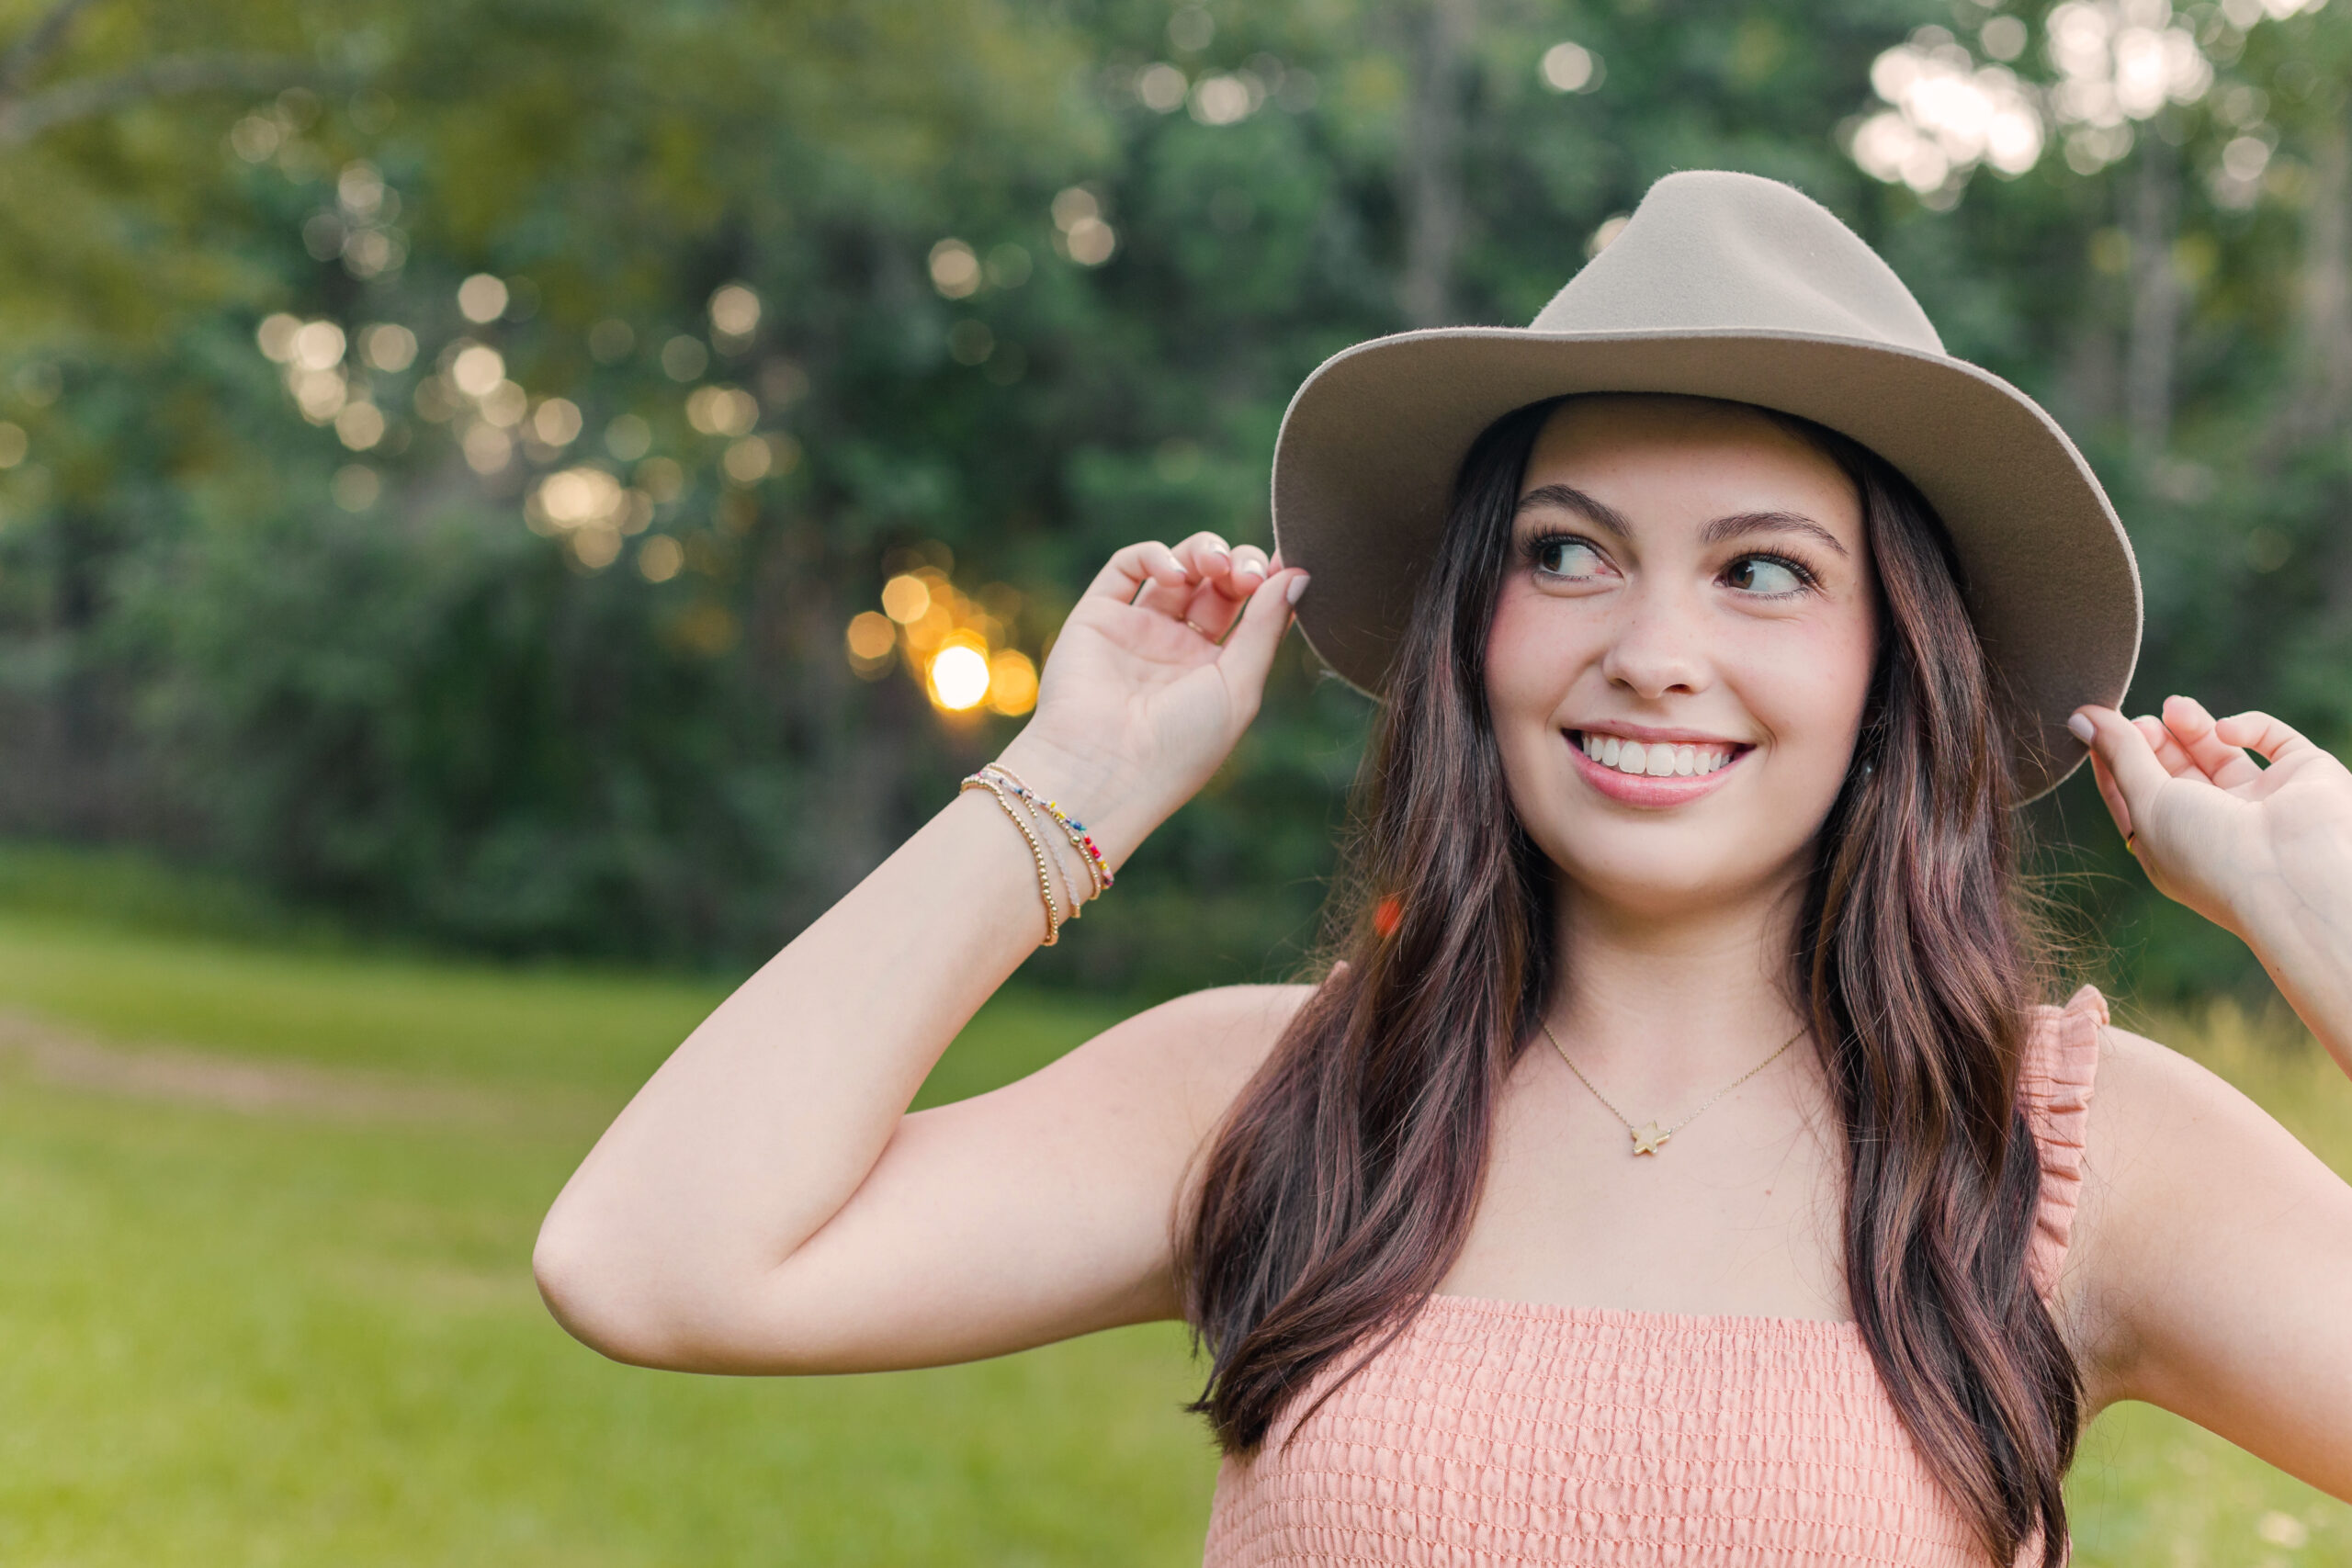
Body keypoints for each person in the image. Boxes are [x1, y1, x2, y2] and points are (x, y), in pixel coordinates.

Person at [531, 173, 2352, 1565]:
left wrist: (2324, 930)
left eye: (1762, 570)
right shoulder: (1276, 1095)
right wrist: (1067, 783)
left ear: (1893, 660)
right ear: (1473, 618)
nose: (1646, 645)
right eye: (1566, 553)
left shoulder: (2064, 1154)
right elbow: (654, 1261)